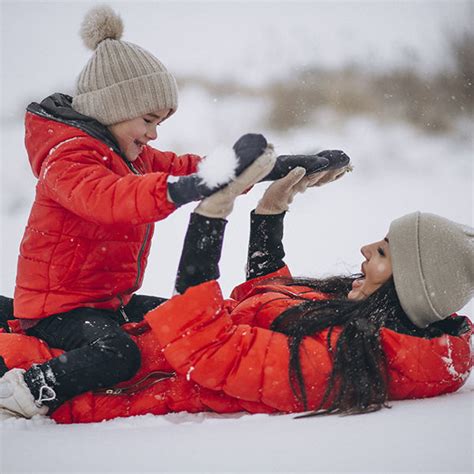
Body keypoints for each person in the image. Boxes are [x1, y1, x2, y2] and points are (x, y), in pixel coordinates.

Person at [0, 160, 470, 422]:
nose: (367, 248)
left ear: (407, 287)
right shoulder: (362, 315)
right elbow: (267, 305)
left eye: (384, 252)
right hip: (143, 338)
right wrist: (269, 215)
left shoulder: (350, 359)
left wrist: (208, 226)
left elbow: (213, 350)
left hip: (109, 379)